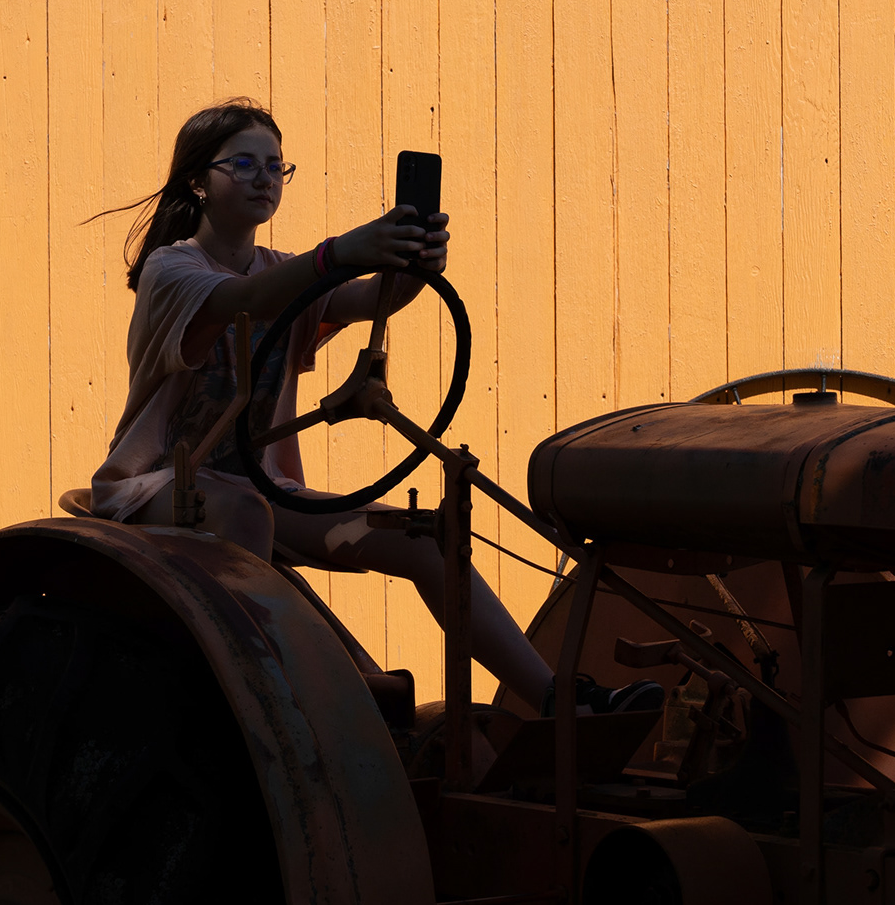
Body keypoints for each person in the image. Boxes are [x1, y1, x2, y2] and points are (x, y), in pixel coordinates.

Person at [88, 100, 563, 710]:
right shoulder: (172, 268)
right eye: (244, 164)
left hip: (261, 490)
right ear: (197, 183)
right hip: (156, 489)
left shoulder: (284, 269)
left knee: (423, 539)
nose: (264, 178)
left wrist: (412, 265)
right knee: (245, 514)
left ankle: (553, 700)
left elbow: (371, 302)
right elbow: (250, 300)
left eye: (276, 167)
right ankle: (262, 703)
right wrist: (339, 253)